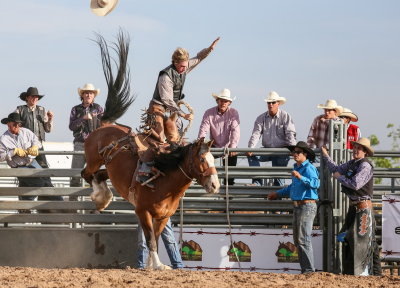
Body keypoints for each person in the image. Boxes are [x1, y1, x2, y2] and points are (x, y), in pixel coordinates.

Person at [138, 37, 220, 186]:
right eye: (181, 66)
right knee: (159, 137)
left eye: (185, 66)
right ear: (175, 63)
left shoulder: (184, 67)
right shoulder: (165, 76)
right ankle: (144, 170)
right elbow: (167, 99)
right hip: (157, 108)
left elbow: (198, 58)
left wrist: (209, 50)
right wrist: (182, 114)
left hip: (170, 111)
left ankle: (172, 168)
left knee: (176, 139)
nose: (184, 68)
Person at [321, 138, 375, 276]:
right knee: (350, 239)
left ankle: (366, 273)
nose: (355, 150)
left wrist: (339, 177)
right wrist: (326, 155)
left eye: (359, 148)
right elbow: (336, 169)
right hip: (356, 207)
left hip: (363, 207)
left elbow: (355, 184)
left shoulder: (365, 166)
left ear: (365, 152)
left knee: (362, 241)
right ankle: (356, 272)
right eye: (355, 147)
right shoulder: (353, 163)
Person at [268, 141, 319, 274]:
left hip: (306, 205)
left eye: (298, 152)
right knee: (299, 239)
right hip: (300, 206)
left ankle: (309, 270)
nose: (294, 154)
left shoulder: (308, 168)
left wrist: (300, 177)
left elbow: (315, 183)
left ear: (305, 154)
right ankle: (306, 270)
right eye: (294, 152)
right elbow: (293, 187)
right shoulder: (298, 168)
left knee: (303, 239)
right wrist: (278, 194)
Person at [14, 87, 63, 202]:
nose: (35, 99)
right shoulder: (19, 110)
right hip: (25, 148)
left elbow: (47, 129)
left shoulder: (42, 110)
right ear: (27, 98)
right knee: (24, 173)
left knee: (44, 170)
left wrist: (50, 119)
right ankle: (24, 203)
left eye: (36, 97)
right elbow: (15, 128)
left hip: (39, 146)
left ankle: (50, 199)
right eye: (32, 96)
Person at [246, 91, 296, 186]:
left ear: (278, 103)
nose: (271, 104)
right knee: (251, 154)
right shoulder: (261, 118)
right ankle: (257, 182)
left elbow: (290, 133)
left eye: (273, 102)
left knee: (279, 179)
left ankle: (277, 192)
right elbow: (256, 134)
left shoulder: (285, 116)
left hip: (282, 151)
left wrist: (292, 148)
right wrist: (250, 148)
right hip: (267, 150)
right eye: (269, 102)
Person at [0, 113, 43, 213]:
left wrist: (35, 147)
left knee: (32, 184)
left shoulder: (26, 132)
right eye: (13, 124)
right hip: (19, 166)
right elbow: (0, 156)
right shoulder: (3, 139)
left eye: (17, 124)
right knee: (39, 183)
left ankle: (23, 207)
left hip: (33, 162)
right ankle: (25, 206)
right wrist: (13, 152)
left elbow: (36, 141)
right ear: (8, 124)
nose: (15, 126)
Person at [198, 88, 240, 185]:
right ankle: (205, 182)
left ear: (229, 102)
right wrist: (200, 143)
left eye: (226, 101)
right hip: (214, 146)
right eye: (221, 100)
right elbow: (203, 129)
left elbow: (235, 131)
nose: (223, 103)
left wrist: (233, 147)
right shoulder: (209, 113)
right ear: (217, 101)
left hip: (228, 146)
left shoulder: (233, 113)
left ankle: (228, 190)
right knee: (202, 160)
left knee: (230, 173)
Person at [69, 83, 104, 188]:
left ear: (94, 96)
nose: (89, 95)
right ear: (82, 95)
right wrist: (83, 118)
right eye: (86, 93)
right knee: (75, 174)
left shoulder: (99, 109)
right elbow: (71, 126)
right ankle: (73, 202)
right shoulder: (75, 109)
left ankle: (96, 201)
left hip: (95, 145)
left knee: (95, 174)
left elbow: (104, 125)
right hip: (80, 144)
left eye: (91, 93)